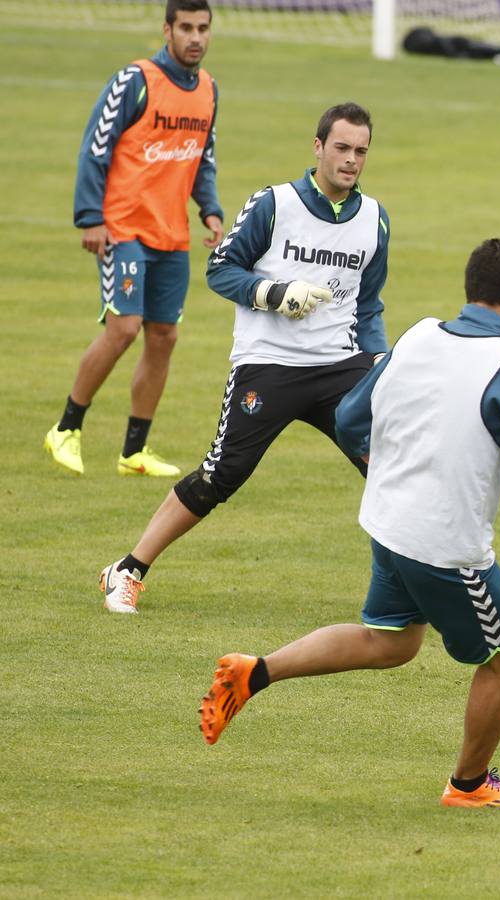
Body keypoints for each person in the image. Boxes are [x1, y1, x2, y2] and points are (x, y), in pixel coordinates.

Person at [198, 238, 500, 809]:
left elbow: (350, 415)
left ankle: (255, 672)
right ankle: (469, 785)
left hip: (387, 521)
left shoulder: (416, 336)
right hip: (445, 546)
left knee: (391, 641)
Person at [97, 103, 390, 614]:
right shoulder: (274, 204)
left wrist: (379, 362)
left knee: (393, 465)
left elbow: (368, 304)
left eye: (360, 151)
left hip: (340, 367)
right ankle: (127, 569)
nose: (350, 160)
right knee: (222, 475)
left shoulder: (375, 220)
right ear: (318, 147)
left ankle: (418, 588)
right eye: (341, 148)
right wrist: (273, 294)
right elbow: (220, 269)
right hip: (269, 363)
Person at [45, 0, 224, 478]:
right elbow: (96, 145)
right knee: (124, 328)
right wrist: (90, 217)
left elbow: (202, 155)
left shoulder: (208, 89)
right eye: (185, 27)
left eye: (202, 28)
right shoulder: (136, 81)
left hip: (172, 234)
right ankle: (65, 429)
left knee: (164, 337)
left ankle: (133, 452)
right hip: (124, 229)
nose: (195, 37)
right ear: (167, 30)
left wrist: (209, 209)